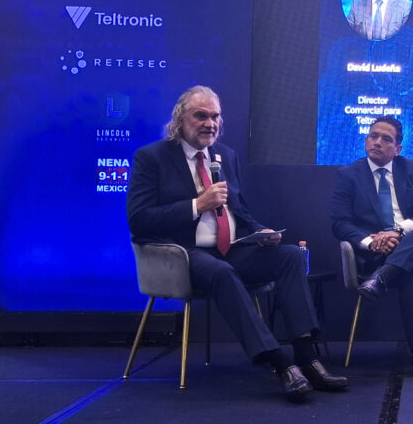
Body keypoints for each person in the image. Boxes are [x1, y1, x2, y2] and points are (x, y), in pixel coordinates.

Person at [126, 86, 347, 402]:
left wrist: (260, 231)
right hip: (183, 255)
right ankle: (280, 363)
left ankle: (306, 356)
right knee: (221, 272)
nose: (210, 124)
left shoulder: (225, 156)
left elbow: (239, 212)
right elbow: (139, 219)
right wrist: (197, 205)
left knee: (291, 256)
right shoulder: (152, 158)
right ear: (180, 119)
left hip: (232, 249)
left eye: (215, 117)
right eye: (201, 116)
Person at [330, 116, 413, 379]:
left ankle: (381, 279)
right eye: (373, 136)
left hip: (409, 243)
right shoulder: (348, 175)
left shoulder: (410, 168)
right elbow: (340, 223)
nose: (377, 142)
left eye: (386, 139)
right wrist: (372, 241)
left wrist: (397, 232)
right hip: (375, 253)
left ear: (397, 149)